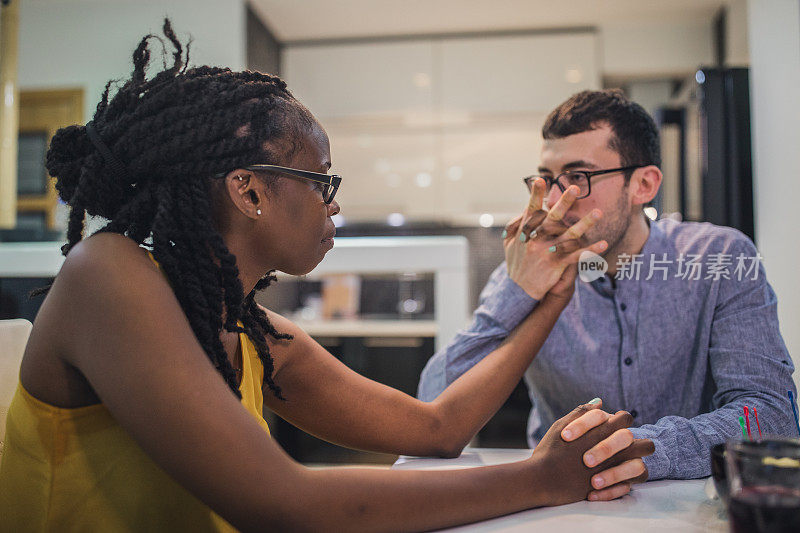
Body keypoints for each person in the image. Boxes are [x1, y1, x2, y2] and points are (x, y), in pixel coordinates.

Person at [0, 22, 654, 532]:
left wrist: (552, 297)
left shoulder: (253, 333)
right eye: (323, 180)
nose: (335, 203)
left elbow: (437, 426)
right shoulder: (107, 274)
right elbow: (285, 505)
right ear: (249, 190)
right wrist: (540, 479)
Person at [419, 88, 798, 482]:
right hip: (560, 504)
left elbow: (770, 415)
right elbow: (431, 403)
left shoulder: (720, 259)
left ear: (644, 185)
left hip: (690, 505)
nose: (553, 200)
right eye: (547, 179)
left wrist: (648, 449)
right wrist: (516, 291)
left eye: (577, 177)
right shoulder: (523, 278)